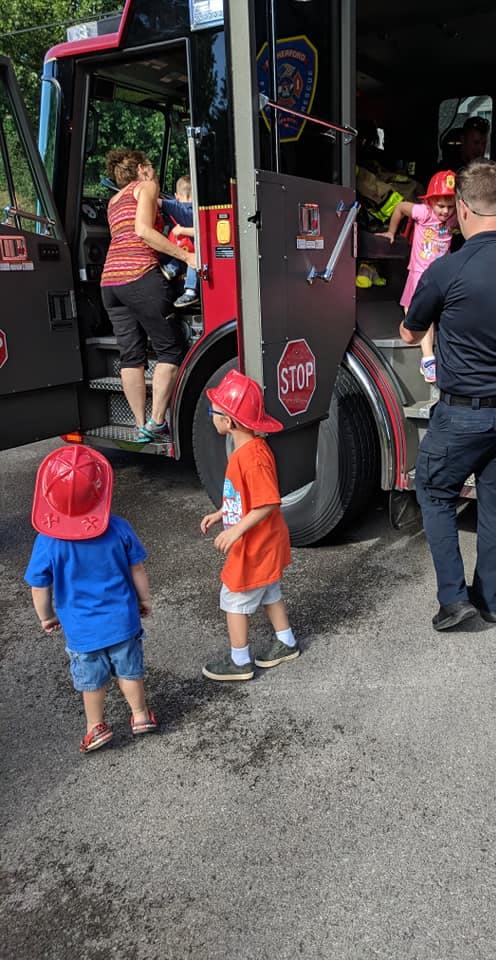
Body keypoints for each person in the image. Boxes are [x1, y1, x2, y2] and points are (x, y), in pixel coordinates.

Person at [400, 160, 496, 631]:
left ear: (461, 208)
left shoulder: (448, 269)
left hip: (464, 415)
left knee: (434, 490)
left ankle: (453, 599)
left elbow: (410, 333)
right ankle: (494, 601)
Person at [24, 446, 157, 753]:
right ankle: (139, 716)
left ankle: (95, 727)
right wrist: (144, 599)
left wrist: (46, 617)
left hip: (82, 632)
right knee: (129, 672)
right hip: (123, 620)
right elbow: (137, 569)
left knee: (91, 682)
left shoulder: (47, 540)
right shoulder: (118, 527)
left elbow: (39, 587)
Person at [200, 369, 299, 681]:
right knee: (270, 592)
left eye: (213, 411)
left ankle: (239, 661)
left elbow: (268, 501)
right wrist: (222, 514)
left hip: (255, 545)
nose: (211, 415)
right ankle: (286, 642)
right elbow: (245, 496)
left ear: (228, 422)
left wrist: (235, 530)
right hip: (263, 542)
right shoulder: (247, 450)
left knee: (233, 596)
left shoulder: (251, 457)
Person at [100, 149, 195, 442]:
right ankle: (156, 422)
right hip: (138, 275)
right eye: (151, 166)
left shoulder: (114, 200)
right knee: (172, 348)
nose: (154, 172)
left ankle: (140, 425)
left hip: (110, 283)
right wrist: (185, 257)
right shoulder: (147, 187)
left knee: (131, 355)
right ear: (141, 169)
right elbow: (142, 230)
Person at [377, 170, 457, 383]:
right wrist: (391, 232)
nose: (445, 211)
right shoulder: (423, 212)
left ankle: (435, 354)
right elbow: (400, 208)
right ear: (431, 201)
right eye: (441, 206)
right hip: (420, 273)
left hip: (441, 274)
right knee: (422, 313)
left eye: (450, 206)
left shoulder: (453, 217)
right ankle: (428, 359)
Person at [159, 174, 199, 310]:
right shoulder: (200, 210)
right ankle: (173, 270)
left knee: (190, 261)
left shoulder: (175, 206)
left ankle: (190, 291)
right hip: (195, 250)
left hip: (190, 253)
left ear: (176, 195)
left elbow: (154, 201)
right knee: (188, 258)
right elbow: (203, 230)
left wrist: (182, 230)